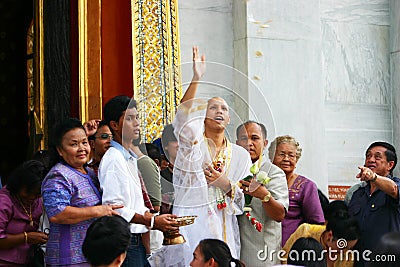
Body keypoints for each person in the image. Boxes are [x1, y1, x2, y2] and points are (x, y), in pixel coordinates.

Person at [163, 46, 252, 266]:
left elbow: (244, 198)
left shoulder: (240, 155)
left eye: (223, 108)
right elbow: (182, 117)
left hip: (224, 224)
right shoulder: (192, 144)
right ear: (203, 116)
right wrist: (196, 77)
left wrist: (225, 184)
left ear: (229, 119)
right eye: (213, 107)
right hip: (193, 219)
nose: (219, 111)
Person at [98, 95, 178, 267]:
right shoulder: (114, 159)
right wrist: (152, 221)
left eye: (137, 117)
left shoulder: (129, 157)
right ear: (114, 125)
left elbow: (136, 205)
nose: (136, 123)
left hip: (136, 240)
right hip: (125, 241)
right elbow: (115, 208)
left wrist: (158, 220)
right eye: (129, 118)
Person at [41, 118, 122, 266]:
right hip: (68, 258)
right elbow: (57, 213)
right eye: (74, 144)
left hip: (89, 256)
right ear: (60, 150)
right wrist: (98, 211)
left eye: (84, 142)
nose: (81, 148)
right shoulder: (59, 175)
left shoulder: (89, 172)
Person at [235, 121, 289, 266]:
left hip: (262, 255)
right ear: (236, 143)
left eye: (254, 138)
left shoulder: (274, 173)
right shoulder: (233, 172)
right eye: (244, 139)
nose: (249, 143)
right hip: (235, 251)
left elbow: (279, 215)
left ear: (264, 143)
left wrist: (264, 195)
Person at [347, 142, 400, 264]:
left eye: (377, 157)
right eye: (368, 156)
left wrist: (374, 177)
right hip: (359, 260)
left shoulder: (394, 186)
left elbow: (394, 190)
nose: (371, 160)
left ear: (390, 165)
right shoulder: (357, 193)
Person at [269, 135, 325, 246]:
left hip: (293, 249)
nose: (286, 159)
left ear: (297, 159)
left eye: (291, 156)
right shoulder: (263, 182)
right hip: (265, 244)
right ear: (271, 157)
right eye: (281, 154)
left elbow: (316, 224)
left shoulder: (307, 186)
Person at [0, 160, 48, 265]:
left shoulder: (39, 201)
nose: (32, 197)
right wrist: (26, 237)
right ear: (19, 185)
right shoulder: (4, 201)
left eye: (37, 194)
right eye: (29, 193)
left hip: (28, 261)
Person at [282, 209, 361, 267]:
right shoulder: (305, 232)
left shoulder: (348, 255)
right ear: (329, 236)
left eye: (350, 248)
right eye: (343, 247)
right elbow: (285, 258)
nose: (345, 251)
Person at [160, 123, 178, 214]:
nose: (180, 145)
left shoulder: (196, 175)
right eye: (175, 140)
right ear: (166, 145)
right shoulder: (160, 176)